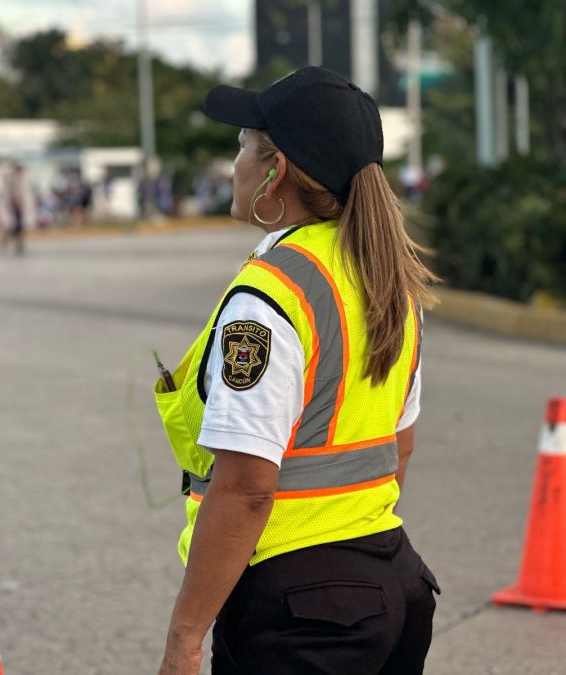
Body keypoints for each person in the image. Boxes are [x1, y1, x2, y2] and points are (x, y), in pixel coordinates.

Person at [154, 67, 440, 675]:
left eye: (241, 147)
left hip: (299, 610)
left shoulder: (273, 293)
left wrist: (184, 639)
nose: (234, 164)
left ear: (274, 170)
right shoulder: (388, 279)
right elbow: (399, 446)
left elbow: (247, 487)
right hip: (391, 583)